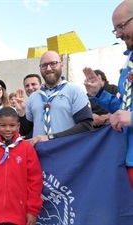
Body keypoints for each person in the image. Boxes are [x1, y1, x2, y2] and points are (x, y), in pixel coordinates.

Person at [82, 0, 133, 187]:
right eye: (115, 29)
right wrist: (99, 93)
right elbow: (124, 109)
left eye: (121, 26)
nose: (118, 34)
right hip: (126, 159)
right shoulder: (129, 64)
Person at [18, 50, 93, 145]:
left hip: (66, 151)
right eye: (44, 65)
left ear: (62, 64)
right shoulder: (33, 97)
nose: (48, 68)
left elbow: (86, 126)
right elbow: (26, 132)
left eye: (53, 63)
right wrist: (21, 114)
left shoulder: (74, 91)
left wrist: (51, 138)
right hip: (39, 155)